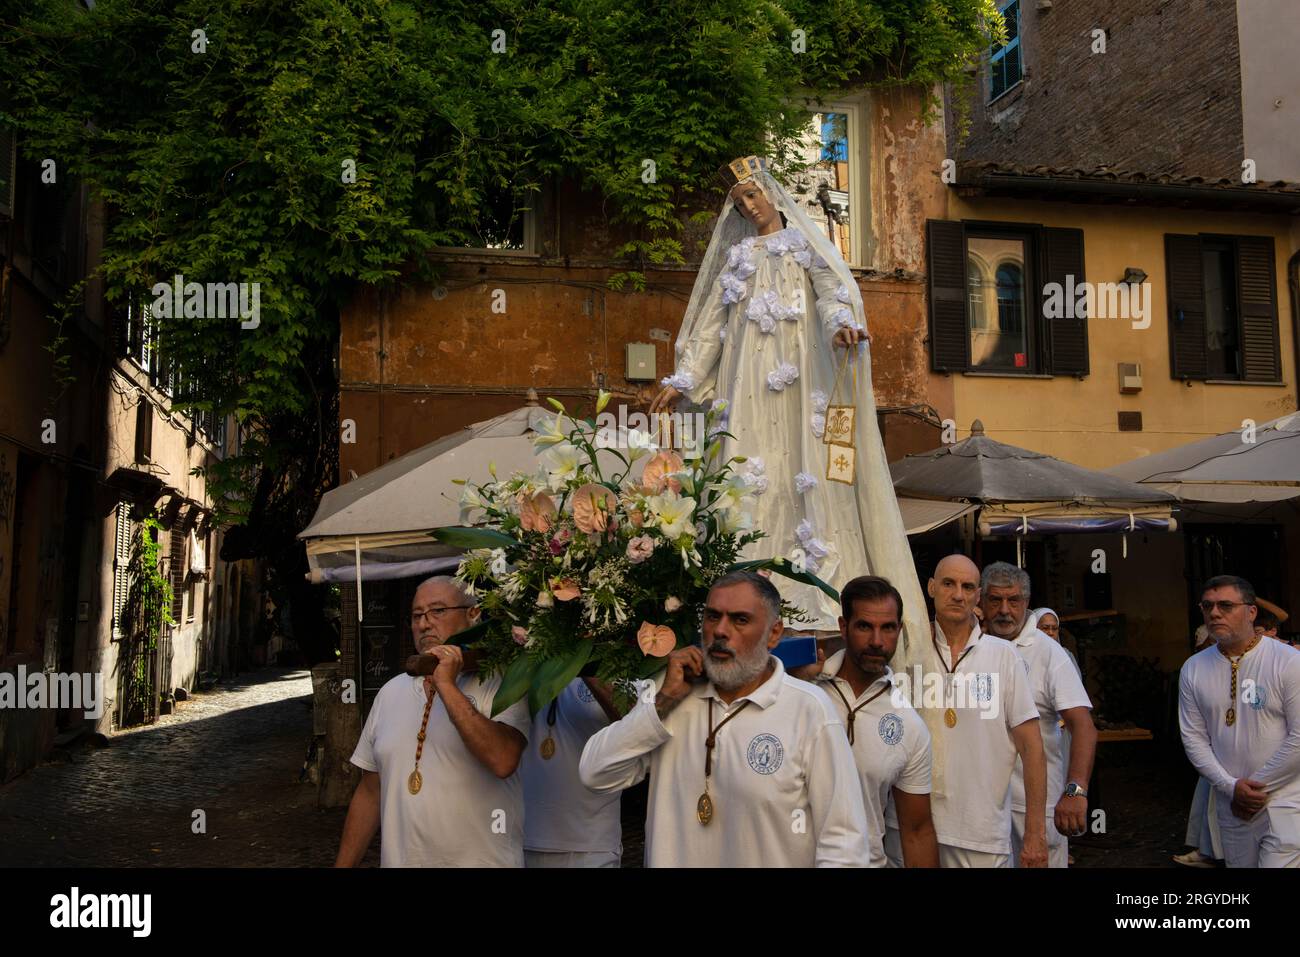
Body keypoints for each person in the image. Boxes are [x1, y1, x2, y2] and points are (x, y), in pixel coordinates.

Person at [649, 155, 927, 646]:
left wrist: (840, 325)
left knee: (808, 471)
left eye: (754, 195)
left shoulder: (806, 245)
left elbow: (830, 293)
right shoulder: (737, 259)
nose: (750, 206)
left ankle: (814, 598)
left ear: (774, 194)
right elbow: (710, 327)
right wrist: (685, 378)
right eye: (740, 201)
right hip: (747, 382)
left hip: (799, 377)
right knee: (748, 472)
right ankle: (742, 598)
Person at [579, 570, 870, 866]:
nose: (720, 630)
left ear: (774, 633)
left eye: (740, 620)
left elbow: (844, 842)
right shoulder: (670, 697)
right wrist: (663, 701)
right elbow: (595, 773)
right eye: (712, 616)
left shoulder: (809, 710)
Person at [335, 576, 531, 867]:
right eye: (417, 615)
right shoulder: (390, 692)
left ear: (473, 614)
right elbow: (370, 791)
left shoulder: (502, 682)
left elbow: (502, 760)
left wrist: (447, 685)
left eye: (438, 611)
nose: (424, 624)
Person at [902, 554, 1046, 867]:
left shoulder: (1004, 657)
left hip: (980, 834)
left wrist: (1035, 834)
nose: (958, 594)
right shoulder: (907, 650)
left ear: (978, 596)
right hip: (908, 829)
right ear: (930, 587)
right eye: (948, 584)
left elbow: (1032, 748)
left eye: (968, 587)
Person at [800, 575, 938, 867]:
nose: (877, 641)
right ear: (843, 627)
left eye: (887, 628)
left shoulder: (909, 725)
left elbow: (916, 831)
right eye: (865, 626)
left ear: (899, 630)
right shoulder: (804, 690)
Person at [1178, 574, 1300, 868]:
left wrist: (1254, 788)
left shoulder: (1287, 661)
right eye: (1207, 606)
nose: (1215, 613)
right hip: (1232, 804)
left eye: (1225, 605)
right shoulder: (1193, 668)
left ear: (1251, 611)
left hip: (1284, 799)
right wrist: (1231, 788)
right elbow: (1193, 738)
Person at [982, 564, 1096, 868]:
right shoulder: (973, 647)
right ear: (981, 601)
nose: (1004, 610)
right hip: (983, 802)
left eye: (1014, 601)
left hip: (1037, 804)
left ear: (1026, 602)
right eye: (995, 600)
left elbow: (1082, 725)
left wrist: (1075, 791)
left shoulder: (1049, 653)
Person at [519, 676, 642, 867]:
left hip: (592, 845)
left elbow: (640, 723)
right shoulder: (524, 658)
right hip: (521, 839)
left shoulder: (618, 659)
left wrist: (586, 663)